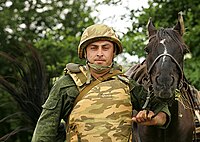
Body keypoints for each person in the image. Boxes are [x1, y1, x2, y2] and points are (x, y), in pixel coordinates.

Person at [31, 24, 170, 142]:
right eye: (93, 48)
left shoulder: (128, 85)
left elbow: (160, 106)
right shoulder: (67, 84)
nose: (99, 53)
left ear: (114, 51)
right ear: (85, 52)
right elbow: (44, 131)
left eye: (105, 48)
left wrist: (156, 119)